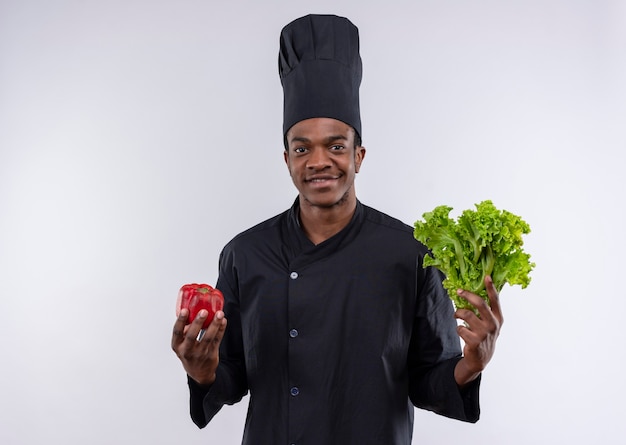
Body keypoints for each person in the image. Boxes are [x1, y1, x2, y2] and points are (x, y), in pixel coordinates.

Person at [171, 14, 503, 444]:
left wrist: (473, 362)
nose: (318, 161)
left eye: (336, 146)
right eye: (302, 147)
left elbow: (428, 380)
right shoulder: (244, 254)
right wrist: (202, 371)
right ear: (287, 158)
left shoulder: (411, 253)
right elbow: (229, 375)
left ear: (359, 155)